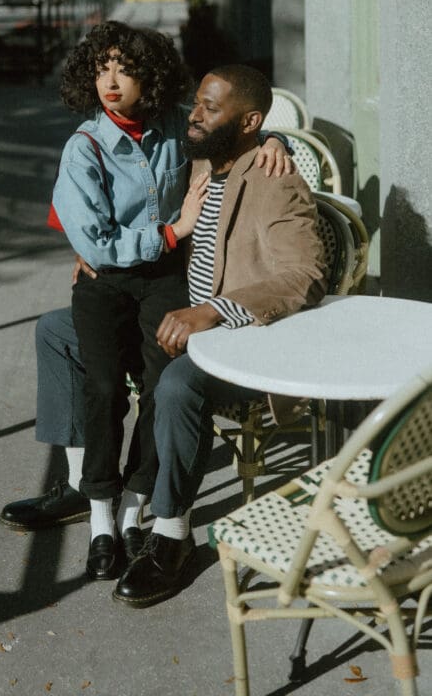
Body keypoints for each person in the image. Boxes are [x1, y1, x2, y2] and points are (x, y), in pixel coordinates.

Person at [0, 31, 293, 575]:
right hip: (112, 277)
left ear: (149, 79)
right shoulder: (84, 146)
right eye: (102, 70)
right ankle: (88, 496)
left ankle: (137, 504)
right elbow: (98, 242)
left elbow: (231, 124)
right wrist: (173, 230)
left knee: (163, 380)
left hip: (162, 283)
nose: (110, 83)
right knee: (83, 362)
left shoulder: (175, 129)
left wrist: (277, 141)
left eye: (125, 71)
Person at [111, 65, 326, 607]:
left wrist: (213, 310)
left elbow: (304, 274)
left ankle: (170, 536)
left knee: (180, 387)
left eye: (211, 107)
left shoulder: (276, 179)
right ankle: (88, 497)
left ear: (250, 121)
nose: (196, 115)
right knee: (63, 331)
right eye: (197, 104)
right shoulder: (202, 161)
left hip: (242, 336)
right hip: (173, 312)